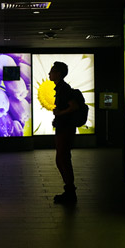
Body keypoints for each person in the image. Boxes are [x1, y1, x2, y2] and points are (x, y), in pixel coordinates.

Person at [49, 61, 78, 204]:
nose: (49, 74)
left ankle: (70, 192)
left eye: (52, 71)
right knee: (61, 159)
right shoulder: (60, 88)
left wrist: (60, 113)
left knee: (63, 159)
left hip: (65, 128)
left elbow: (73, 106)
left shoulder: (64, 89)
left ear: (58, 73)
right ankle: (69, 190)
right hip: (63, 128)